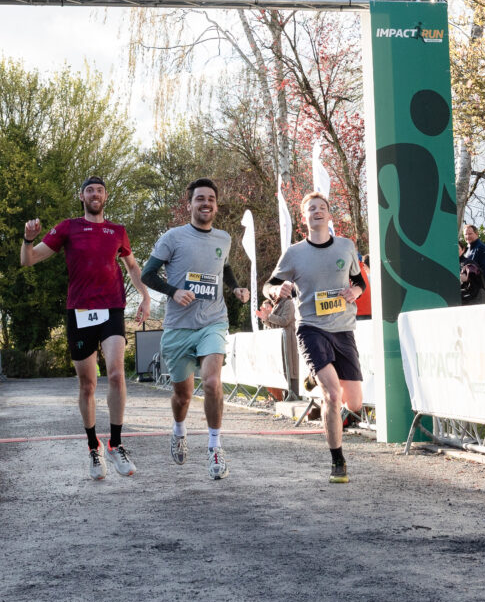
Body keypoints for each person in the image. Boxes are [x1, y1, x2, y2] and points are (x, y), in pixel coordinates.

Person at [21, 176, 150, 480]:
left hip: (112, 309)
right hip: (79, 312)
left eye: (99, 190)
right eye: (89, 190)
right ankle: (94, 447)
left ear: (105, 196)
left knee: (116, 374)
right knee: (88, 385)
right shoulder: (68, 228)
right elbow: (29, 260)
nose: (95, 194)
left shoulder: (117, 231)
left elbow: (132, 266)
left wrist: (145, 296)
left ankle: (115, 444)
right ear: (81, 196)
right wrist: (27, 239)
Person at [141, 178, 249, 480]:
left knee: (212, 382)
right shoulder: (173, 237)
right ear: (189, 204)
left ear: (216, 205)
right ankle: (179, 430)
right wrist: (174, 291)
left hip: (213, 321)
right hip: (178, 326)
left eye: (211, 199)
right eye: (200, 198)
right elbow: (148, 274)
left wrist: (235, 288)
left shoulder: (223, 238)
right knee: (183, 396)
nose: (206, 203)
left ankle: (215, 447)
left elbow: (224, 268)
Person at [263, 192, 365, 484]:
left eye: (322, 208)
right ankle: (337, 461)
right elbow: (269, 284)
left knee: (354, 404)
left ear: (329, 215)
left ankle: (313, 375)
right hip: (311, 328)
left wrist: (354, 292)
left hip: (343, 329)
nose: (317, 212)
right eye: (311, 209)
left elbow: (359, 281)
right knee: (331, 395)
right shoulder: (294, 253)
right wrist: (276, 290)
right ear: (304, 218)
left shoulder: (346, 246)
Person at [463, 224, 485, 288]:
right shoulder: (468, 249)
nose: (467, 236)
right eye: (465, 234)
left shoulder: (482, 248)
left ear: (476, 234)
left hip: (478, 288)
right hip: (469, 286)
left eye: (470, 234)